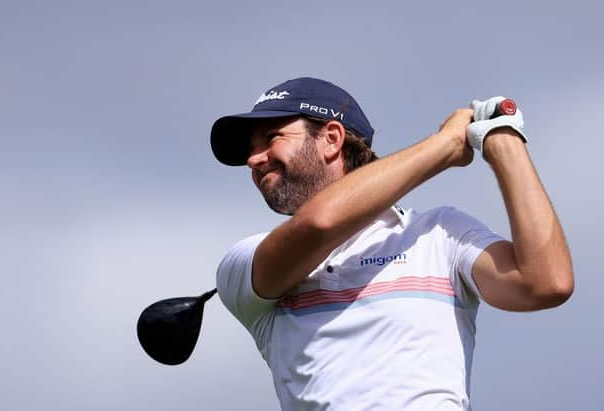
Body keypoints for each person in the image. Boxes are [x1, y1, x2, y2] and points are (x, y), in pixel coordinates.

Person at [210, 77, 573, 410]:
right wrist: (444, 146)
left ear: (332, 139)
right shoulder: (243, 262)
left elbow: (545, 283)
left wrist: (504, 140)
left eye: (272, 138)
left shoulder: (441, 234)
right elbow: (320, 223)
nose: (253, 160)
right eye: (250, 149)